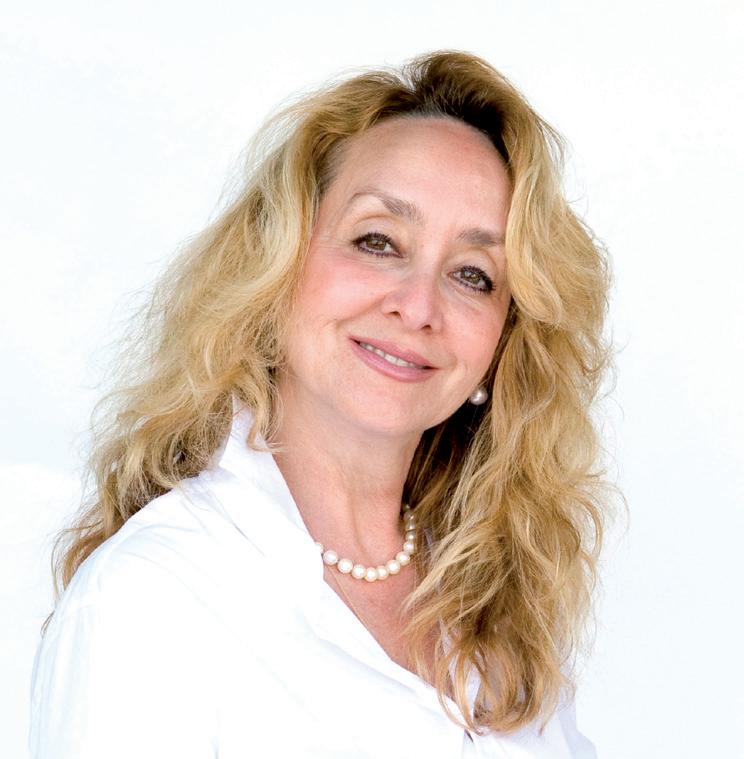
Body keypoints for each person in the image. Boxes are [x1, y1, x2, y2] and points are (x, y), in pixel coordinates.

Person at [29, 50, 611, 758]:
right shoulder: (151, 598)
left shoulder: (498, 609)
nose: (418, 306)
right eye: (377, 240)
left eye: (472, 274)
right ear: (276, 263)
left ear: (504, 338)